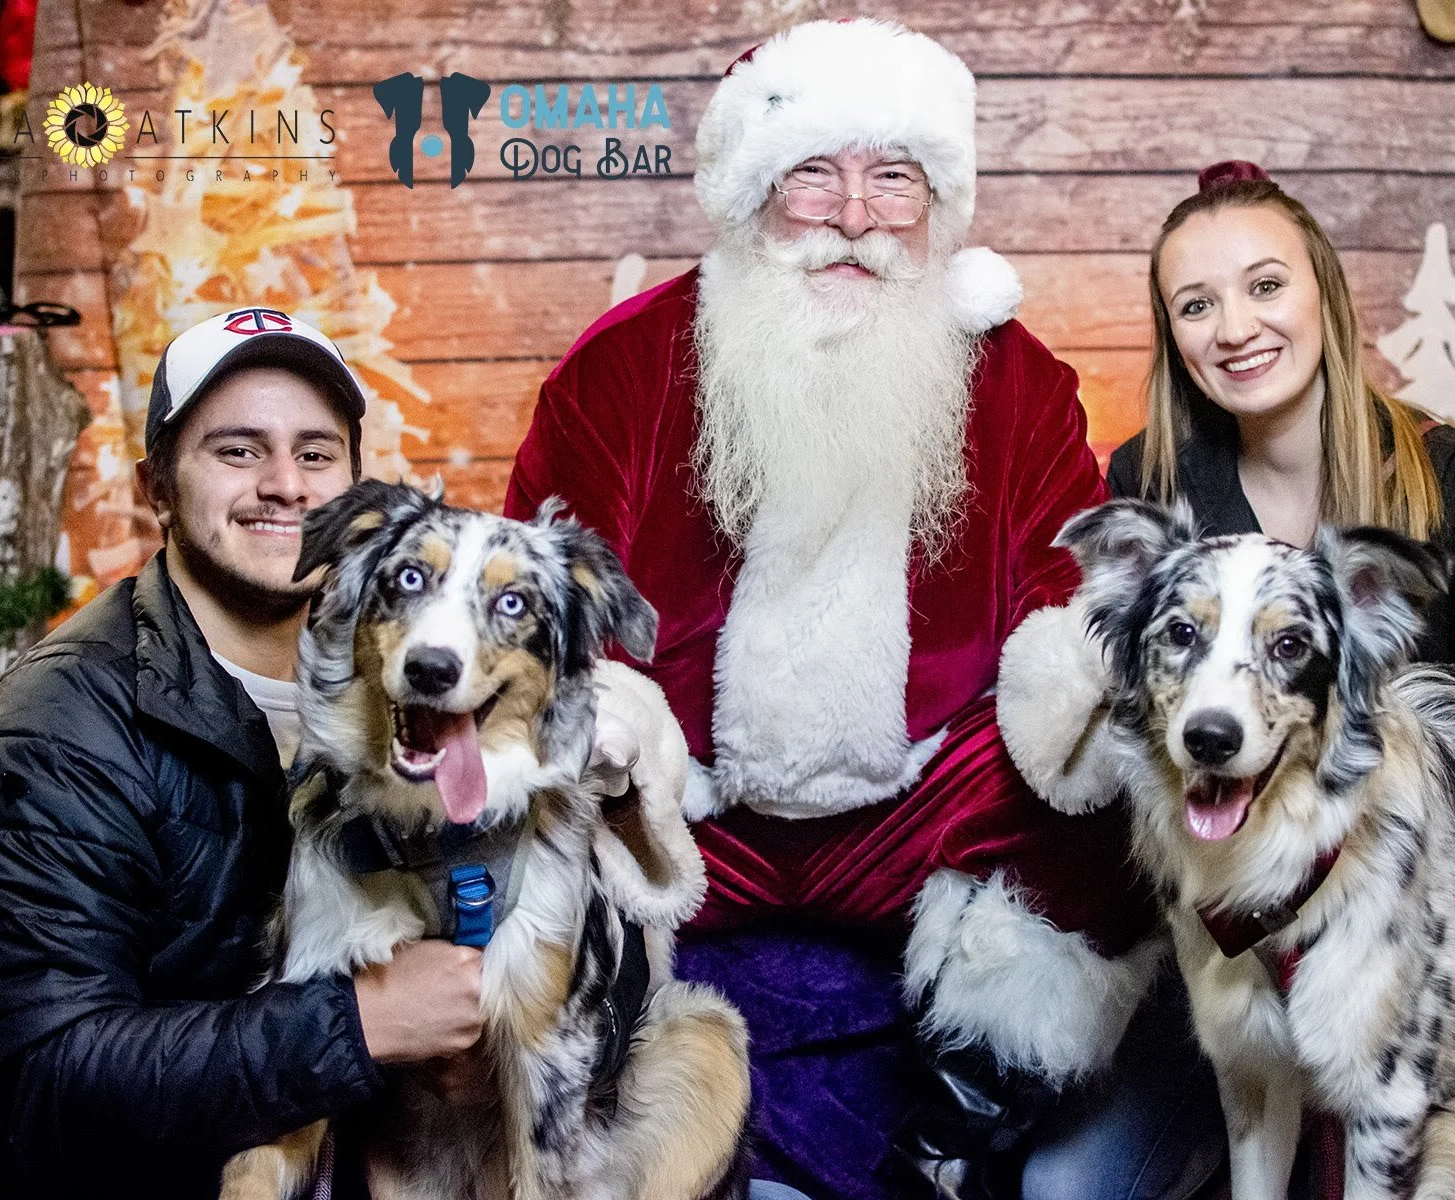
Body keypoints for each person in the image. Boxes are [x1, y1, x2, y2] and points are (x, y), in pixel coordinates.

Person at [504, 18, 1181, 1200]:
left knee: (1101, 771)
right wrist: (617, 730)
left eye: (895, 179)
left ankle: (969, 1103)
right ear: (752, 189)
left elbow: (1069, 591)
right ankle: (590, 1094)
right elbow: (545, 586)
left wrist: (1074, 691)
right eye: (816, 173)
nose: (857, 216)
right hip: (691, 813)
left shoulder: (1014, 375)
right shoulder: (622, 367)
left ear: (937, 203)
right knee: (546, 815)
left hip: (918, 809)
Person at [1016, 161, 1455, 1192]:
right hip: (1230, 925)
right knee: (1067, 1186)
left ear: (1326, 296)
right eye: (1197, 305)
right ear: (1173, 334)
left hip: (1419, 922)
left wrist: (1446, 909)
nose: (1236, 327)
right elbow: (1129, 703)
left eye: (1266, 285)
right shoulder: (1152, 485)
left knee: (1413, 1166)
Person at [0, 310, 491, 1199]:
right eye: (237, 451)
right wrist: (362, 1022)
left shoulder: (411, 682)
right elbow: (38, 1093)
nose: (285, 486)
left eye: (316, 455)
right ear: (156, 486)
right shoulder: (47, 740)